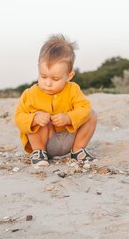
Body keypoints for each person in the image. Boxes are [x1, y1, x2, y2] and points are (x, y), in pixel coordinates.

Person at [14, 35, 97, 167]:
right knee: (39, 116)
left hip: (69, 137)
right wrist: (34, 118)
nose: (48, 83)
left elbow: (84, 108)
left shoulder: (73, 90)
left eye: (55, 79)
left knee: (91, 114)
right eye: (43, 76)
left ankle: (77, 150)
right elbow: (19, 117)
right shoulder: (30, 94)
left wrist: (69, 118)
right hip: (45, 141)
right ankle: (39, 153)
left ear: (69, 76)